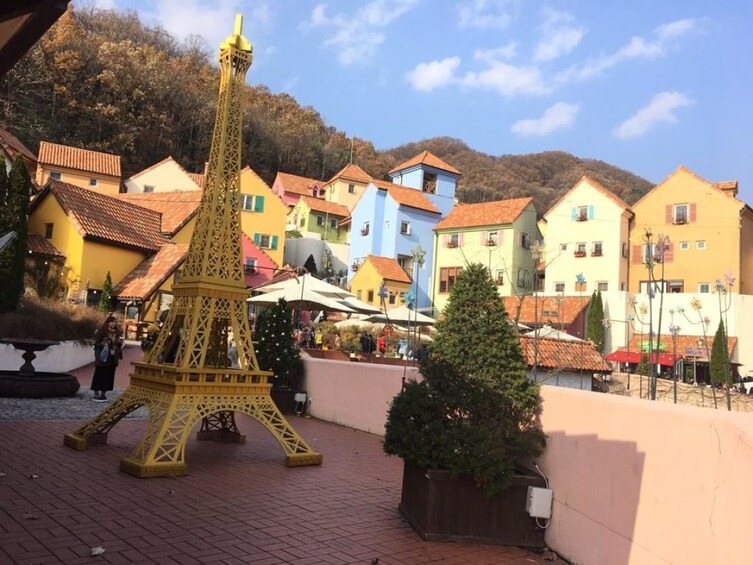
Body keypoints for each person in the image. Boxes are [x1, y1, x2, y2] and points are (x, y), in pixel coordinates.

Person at [91, 314, 123, 402]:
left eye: (115, 322)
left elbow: (120, 344)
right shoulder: (101, 331)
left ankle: (103, 393)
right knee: (99, 374)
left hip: (112, 357)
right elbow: (96, 343)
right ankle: (96, 392)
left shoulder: (118, 333)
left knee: (108, 376)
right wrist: (103, 343)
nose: (113, 324)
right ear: (107, 322)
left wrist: (118, 344)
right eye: (111, 322)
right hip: (103, 357)